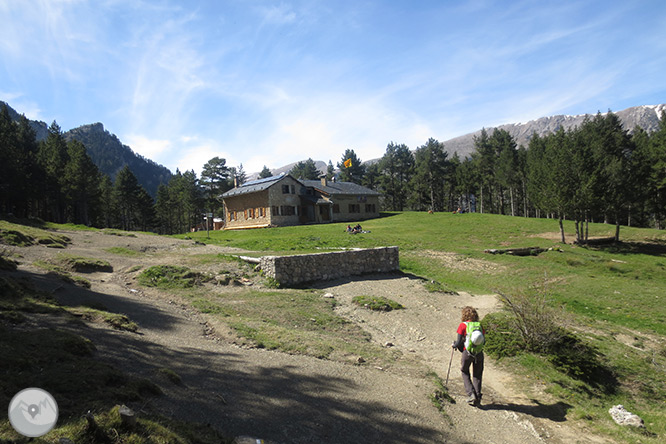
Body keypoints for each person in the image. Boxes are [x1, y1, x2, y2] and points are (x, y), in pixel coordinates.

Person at [452, 306, 485, 406]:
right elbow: (484, 341)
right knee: (477, 375)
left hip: (467, 353)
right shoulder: (479, 326)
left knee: (464, 371)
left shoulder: (463, 325)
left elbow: (458, 342)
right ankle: (478, 397)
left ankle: (471, 394)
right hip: (479, 353)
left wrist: (454, 345)